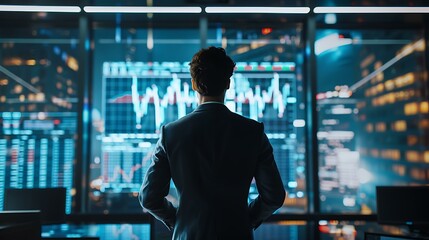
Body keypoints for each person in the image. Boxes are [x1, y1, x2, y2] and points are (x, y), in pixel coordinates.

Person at [139, 47, 285, 240]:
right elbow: (274, 196)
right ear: (228, 83)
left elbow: (149, 198)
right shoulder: (252, 132)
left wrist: (180, 221)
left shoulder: (171, 133)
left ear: (193, 84)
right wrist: (246, 220)